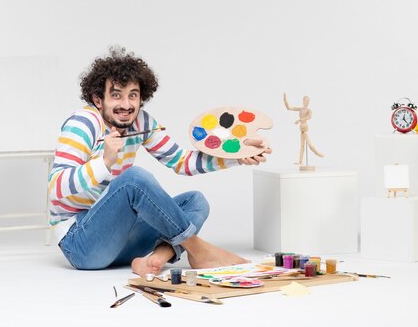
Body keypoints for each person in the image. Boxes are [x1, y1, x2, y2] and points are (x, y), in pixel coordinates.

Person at [48, 47, 271, 276]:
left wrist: (238, 157)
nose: (126, 104)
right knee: (134, 179)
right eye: (116, 95)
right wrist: (104, 162)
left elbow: (182, 162)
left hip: (124, 241)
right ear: (98, 99)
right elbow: (56, 188)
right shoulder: (83, 123)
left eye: (133, 95)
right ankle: (199, 250)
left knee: (195, 201)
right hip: (83, 244)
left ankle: (156, 258)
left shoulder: (142, 122)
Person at [283, 92, 323, 166]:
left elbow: (309, 117)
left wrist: (300, 120)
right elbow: (289, 108)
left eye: (307, 101)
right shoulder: (300, 109)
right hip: (301, 127)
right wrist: (285, 99)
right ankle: (300, 161)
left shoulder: (309, 110)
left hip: (304, 126)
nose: (306, 102)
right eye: (304, 101)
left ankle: (317, 153)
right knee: (302, 145)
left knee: (309, 143)